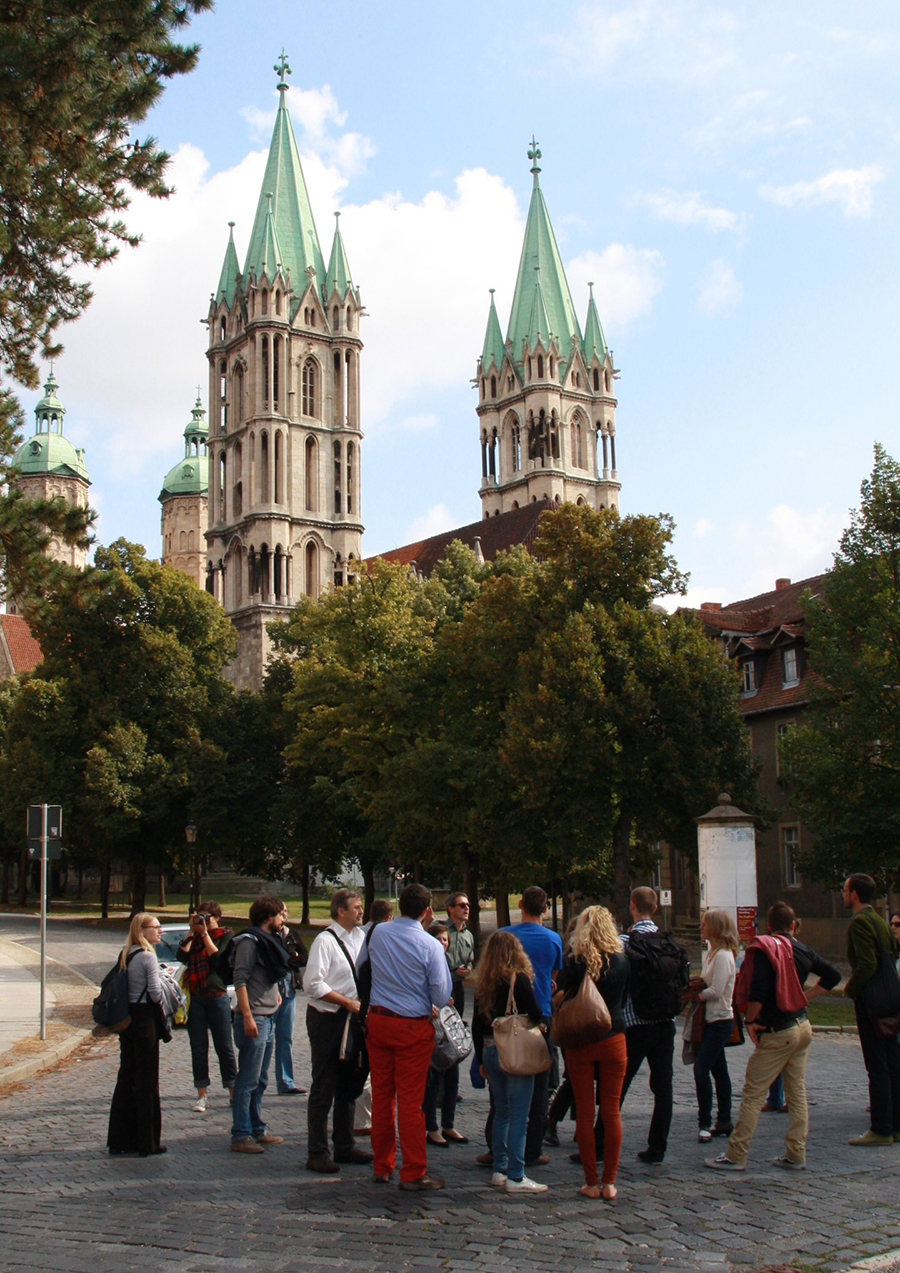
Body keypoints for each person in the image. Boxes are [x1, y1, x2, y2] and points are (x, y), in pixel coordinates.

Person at [706, 901, 840, 1172]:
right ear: (793, 925)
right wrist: (805, 997)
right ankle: (796, 1153)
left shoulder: (766, 949)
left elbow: (758, 992)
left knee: (754, 1093)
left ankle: (736, 1154)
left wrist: (751, 1019)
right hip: (802, 1026)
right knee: (797, 1092)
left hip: (777, 1030)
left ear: (769, 926)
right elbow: (833, 976)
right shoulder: (802, 948)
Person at [361, 881, 452, 1190]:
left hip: (379, 1019)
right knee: (411, 1102)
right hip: (412, 1024)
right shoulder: (429, 945)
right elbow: (441, 994)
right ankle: (413, 1170)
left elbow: (363, 967)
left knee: (383, 1096)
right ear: (427, 911)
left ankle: (382, 1165)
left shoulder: (378, 933)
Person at [596, 887, 681, 1165]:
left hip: (634, 1024)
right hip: (665, 1022)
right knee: (663, 1088)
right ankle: (658, 1147)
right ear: (655, 908)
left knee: (616, 1087)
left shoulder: (624, 941)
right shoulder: (668, 942)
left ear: (633, 906)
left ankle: (599, 1145)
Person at [555, 906, 629, 1201]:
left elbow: (558, 993)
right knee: (611, 1110)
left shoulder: (574, 960)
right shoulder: (623, 960)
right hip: (614, 1035)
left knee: (585, 1112)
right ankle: (610, 1181)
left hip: (581, 1037)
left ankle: (591, 1181)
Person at [302, 888, 373, 1172]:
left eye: (361, 906)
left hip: (353, 1019)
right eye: (356, 907)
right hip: (328, 1019)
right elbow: (313, 985)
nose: (360, 911)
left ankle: (345, 1146)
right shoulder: (325, 941)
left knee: (350, 1082)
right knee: (324, 1084)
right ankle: (317, 1152)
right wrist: (347, 1002)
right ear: (340, 911)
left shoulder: (362, 938)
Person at [473, 930, 548, 1194]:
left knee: (501, 1111)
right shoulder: (519, 979)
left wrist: (481, 1058)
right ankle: (516, 1174)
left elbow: (475, 1025)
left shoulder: (483, 983)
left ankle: (499, 1168)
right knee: (519, 1114)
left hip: (491, 1049)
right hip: (514, 1049)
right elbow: (536, 1013)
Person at [500, 886, 563, 1168]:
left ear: (521, 904)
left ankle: (498, 1145)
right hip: (541, 1016)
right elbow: (553, 978)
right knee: (539, 1088)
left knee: (503, 1084)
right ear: (546, 908)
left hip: (508, 1014)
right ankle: (533, 1149)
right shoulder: (553, 939)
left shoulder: (506, 936)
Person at [230, 894, 292, 1154]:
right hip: (254, 1016)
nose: (283, 919)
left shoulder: (268, 939)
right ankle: (241, 1134)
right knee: (248, 1078)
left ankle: (257, 1128)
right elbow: (240, 979)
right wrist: (246, 1015)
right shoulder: (248, 941)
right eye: (280, 914)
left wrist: (275, 993)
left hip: (268, 1014)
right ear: (269, 917)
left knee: (261, 1078)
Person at [842, 874, 900, 1146]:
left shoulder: (860, 923)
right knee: (892, 1063)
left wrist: (850, 989)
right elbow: (893, 952)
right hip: (890, 998)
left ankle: (881, 1128)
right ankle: (895, 1125)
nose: (844, 894)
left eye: (845, 890)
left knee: (876, 1065)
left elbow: (866, 964)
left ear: (854, 894)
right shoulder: (879, 920)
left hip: (872, 1000)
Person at [107, 912, 167, 1157]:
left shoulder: (127, 953)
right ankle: (147, 1141)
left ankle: (120, 1139)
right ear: (142, 931)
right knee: (147, 1080)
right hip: (145, 1020)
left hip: (128, 1020)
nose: (160, 931)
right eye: (155, 927)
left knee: (126, 1076)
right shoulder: (146, 956)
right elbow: (154, 993)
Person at [177, 902, 237, 1113]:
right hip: (197, 997)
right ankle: (202, 1094)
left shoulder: (226, 935)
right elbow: (181, 956)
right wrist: (191, 931)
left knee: (225, 1047)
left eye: (207, 918)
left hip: (217, 996)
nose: (204, 922)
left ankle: (232, 1092)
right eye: (200, 917)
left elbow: (217, 958)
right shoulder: (194, 937)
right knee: (199, 1047)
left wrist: (204, 935)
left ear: (217, 918)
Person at [690, 909, 738, 1143]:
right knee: (719, 1071)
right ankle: (725, 1119)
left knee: (702, 1068)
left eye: (704, 924)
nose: (701, 928)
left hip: (720, 1020)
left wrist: (697, 995)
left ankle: (705, 1121)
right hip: (710, 1019)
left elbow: (717, 990)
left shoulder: (723, 956)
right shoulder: (712, 952)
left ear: (716, 928)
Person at [423, 923, 467, 1147]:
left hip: (449, 1029)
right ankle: (431, 1127)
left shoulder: (449, 965)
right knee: (432, 1079)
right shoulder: (426, 961)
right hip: (431, 1028)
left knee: (453, 1077)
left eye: (446, 940)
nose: (443, 943)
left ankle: (448, 1124)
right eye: (439, 939)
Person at [355, 899, 394, 1135]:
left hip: (362, 1004)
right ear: (389, 917)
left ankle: (364, 1118)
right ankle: (364, 1120)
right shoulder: (382, 936)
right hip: (374, 1007)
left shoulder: (361, 933)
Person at [273, 904, 307, 1096]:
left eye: (286, 911)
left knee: (285, 1038)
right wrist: (288, 958)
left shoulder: (291, 934)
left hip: (289, 991)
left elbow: (303, 957)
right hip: (270, 992)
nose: (284, 915)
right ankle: (256, 1082)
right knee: (265, 1040)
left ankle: (286, 1081)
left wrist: (288, 959)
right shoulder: (266, 936)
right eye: (281, 912)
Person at [445, 892, 475, 1019]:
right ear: (451, 909)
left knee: (458, 1025)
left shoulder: (468, 935)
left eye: (468, 905)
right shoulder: (441, 931)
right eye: (462, 905)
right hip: (443, 986)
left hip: (459, 987)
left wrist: (468, 968)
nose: (466, 908)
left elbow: (470, 959)